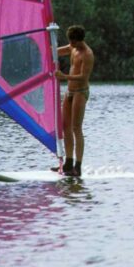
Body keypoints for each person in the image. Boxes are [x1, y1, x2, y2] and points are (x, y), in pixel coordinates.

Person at [51, 25, 94, 177]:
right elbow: (57, 52)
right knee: (65, 127)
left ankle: (78, 167)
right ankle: (68, 164)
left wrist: (63, 76)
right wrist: (46, 46)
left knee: (76, 128)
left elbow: (83, 76)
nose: (70, 44)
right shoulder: (73, 47)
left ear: (77, 40)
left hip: (80, 92)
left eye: (72, 41)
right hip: (69, 92)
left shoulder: (87, 54)